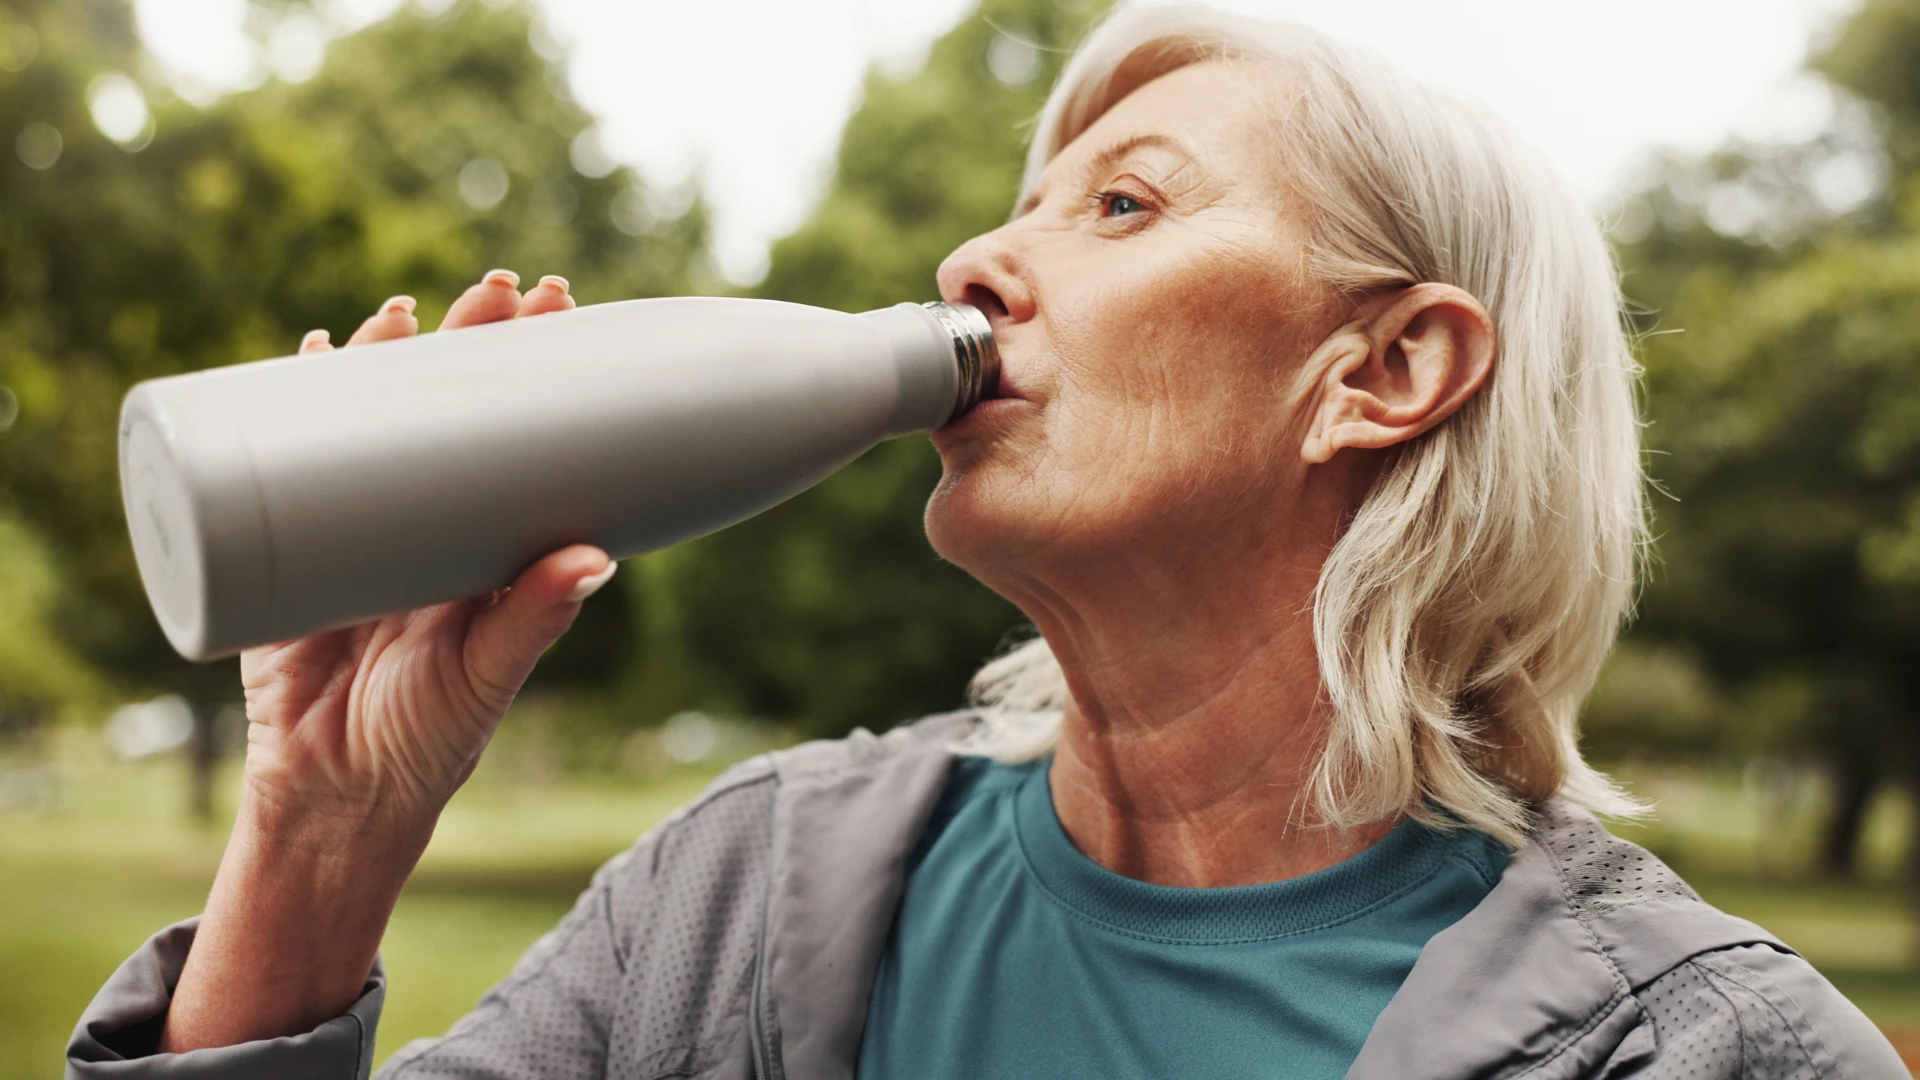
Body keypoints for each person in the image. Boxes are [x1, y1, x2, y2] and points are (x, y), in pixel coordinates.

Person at [68, 5, 1905, 1079]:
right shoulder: (739, 903)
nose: (969, 265)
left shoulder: (1693, 1049)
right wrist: (323, 825)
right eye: (1020, 210)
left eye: (1124, 205)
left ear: (1388, 369)